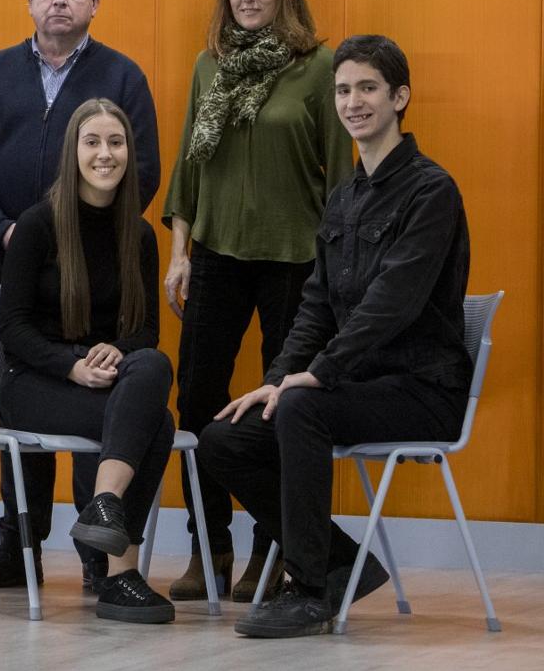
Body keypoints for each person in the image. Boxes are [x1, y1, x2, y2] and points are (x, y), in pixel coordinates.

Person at [200, 35, 470, 638]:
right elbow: (317, 306)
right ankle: (344, 560)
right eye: (344, 90)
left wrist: (316, 374)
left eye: (368, 88)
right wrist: (273, 381)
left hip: (422, 389)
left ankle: (309, 588)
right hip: (356, 386)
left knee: (302, 408)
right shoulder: (344, 197)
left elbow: (391, 306)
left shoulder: (432, 192)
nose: (353, 101)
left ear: (400, 97)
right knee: (223, 439)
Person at [0, 0, 161, 590]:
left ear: (94, 1)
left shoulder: (122, 76)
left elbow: (145, 167)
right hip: (15, 253)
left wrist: (94, 234)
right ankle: (21, 544)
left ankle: (99, 547)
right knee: (57, 399)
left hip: (103, 263)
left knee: (121, 390)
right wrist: (11, 230)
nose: (61, 0)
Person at [160, 0, 352, 602]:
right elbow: (189, 166)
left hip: (296, 261)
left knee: (280, 408)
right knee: (196, 403)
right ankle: (206, 547)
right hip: (215, 255)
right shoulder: (207, 67)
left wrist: (337, 274)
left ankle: (272, 553)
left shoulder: (320, 67)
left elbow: (341, 178)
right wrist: (179, 253)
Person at [0, 99, 175, 623]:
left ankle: (102, 510)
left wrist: (118, 351)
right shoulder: (37, 225)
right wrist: (71, 365)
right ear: (72, 152)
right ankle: (118, 571)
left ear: (129, 153)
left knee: (154, 364)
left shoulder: (139, 234)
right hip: (36, 382)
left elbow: (146, 331)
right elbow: (13, 329)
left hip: (110, 378)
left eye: (116, 143)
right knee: (155, 424)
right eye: (92, 142)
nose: (105, 154)